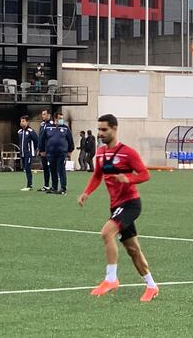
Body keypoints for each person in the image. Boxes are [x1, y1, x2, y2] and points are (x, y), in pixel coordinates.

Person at [78, 114, 158, 302]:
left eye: (104, 130)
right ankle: (152, 286)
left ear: (115, 129)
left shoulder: (128, 153)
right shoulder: (100, 153)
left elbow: (145, 174)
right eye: (99, 129)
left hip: (130, 204)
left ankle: (111, 279)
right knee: (133, 250)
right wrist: (87, 192)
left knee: (106, 233)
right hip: (116, 206)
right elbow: (97, 175)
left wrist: (128, 178)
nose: (100, 133)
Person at [38, 110, 73, 195]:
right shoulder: (48, 128)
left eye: (62, 118)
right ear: (55, 119)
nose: (61, 120)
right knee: (52, 170)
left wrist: (70, 150)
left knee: (61, 170)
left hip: (62, 153)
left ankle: (63, 188)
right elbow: (42, 139)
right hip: (50, 153)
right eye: (60, 118)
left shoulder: (65, 128)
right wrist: (42, 150)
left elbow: (70, 140)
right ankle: (54, 187)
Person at [17, 115, 39, 191]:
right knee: (25, 168)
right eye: (21, 121)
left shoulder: (31, 131)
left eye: (23, 121)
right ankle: (28, 184)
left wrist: (35, 150)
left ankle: (29, 185)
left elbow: (36, 141)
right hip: (22, 153)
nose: (21, 123)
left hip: (29, 153)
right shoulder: (19, 132)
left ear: (27, 122)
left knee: (28, 168)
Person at [37, 109, 52, 191]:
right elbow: (40, 137)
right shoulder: (42, 124)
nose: (43, 116)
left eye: (44, 114)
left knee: (52, 168)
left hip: (50, 150)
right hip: (43, 150)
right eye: (42, 114)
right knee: (45, 168)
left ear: (49, 115)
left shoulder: (52, 124)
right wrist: (40, 148)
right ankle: (46, 185)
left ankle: (55, 185)